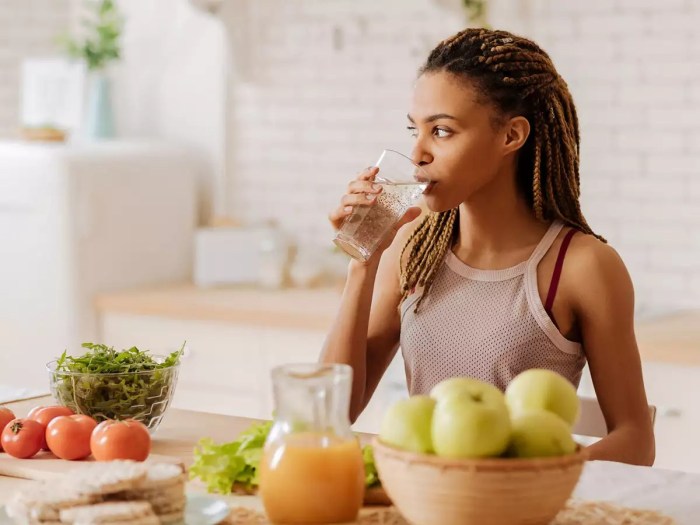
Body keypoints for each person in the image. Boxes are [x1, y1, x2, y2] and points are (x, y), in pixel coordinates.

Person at [321, 28, 655, 466]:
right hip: (426, 503)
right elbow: (329, 415)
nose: (417, 152)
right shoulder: (411, 248)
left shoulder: (582, 266)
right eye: (413, 130)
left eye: (441, 131)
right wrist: (363, 260)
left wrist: (531, 476)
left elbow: (635, 439)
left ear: (511, 136)